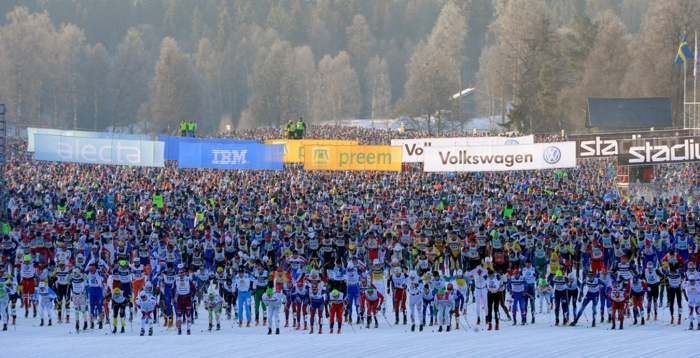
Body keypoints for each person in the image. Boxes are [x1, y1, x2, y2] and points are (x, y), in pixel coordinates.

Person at [172, 268, 196, 335]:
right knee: (179, 314)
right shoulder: (176, 280)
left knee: (188, 314)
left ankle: (188, 329)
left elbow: (194, 288)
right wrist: (172, 297)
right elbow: (172, 288)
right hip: (179, 298)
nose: (181, 277)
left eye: (182, 275)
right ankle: (179, 330)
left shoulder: (188, 279)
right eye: (180, 275)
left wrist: (193, 296)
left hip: (187, 297)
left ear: (185, 274)